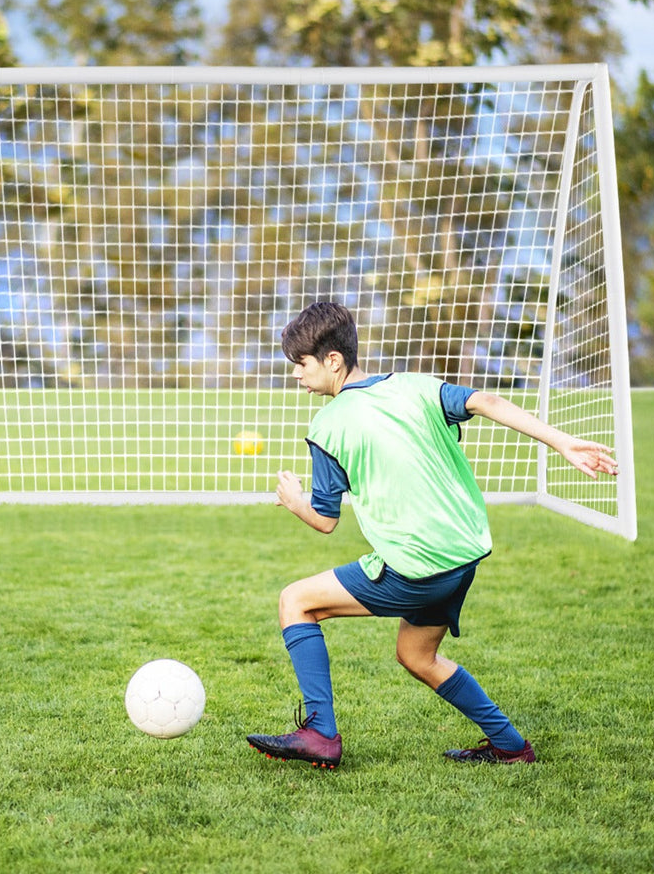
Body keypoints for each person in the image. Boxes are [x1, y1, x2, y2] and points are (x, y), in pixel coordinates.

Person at [246, 301, 618, 769]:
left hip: (416, 568)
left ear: (333, 360)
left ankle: (320, 734)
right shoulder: (415, 385)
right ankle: (511, 746)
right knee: (417, 655)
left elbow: (324, 520)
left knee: (295, 601)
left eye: (301, 364)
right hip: (463, 554)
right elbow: (487, 402)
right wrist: (562, 441)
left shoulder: (328, 425)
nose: (296, 374)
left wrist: (294, 499)